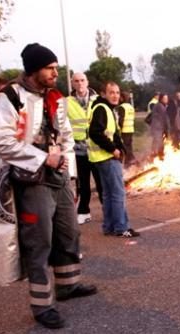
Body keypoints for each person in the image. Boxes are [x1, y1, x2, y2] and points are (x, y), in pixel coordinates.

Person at [0, 43, 97, 329]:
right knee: (40, 240)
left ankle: (68, 285)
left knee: (68, 231)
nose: (55, 73)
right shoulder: (9, 97)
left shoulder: (56, 97)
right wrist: (43, 158)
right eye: (50, 68)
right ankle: (42, 305)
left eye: (56, 68)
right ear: (35, 69)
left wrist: (70, 173)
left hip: (58, 175)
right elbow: (2, 142)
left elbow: (67, 137)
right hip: (31, 177)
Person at [88, 81, 140, 238]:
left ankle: (109, 226)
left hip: (101, 158)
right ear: (103, 94)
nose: (116, 95)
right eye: (111, 92)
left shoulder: (105, 109)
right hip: (107, 157)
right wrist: (113, 149)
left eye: (117, 92)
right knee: (118, 193)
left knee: (108, 194)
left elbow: (112, 133)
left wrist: (121, 149)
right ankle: (121, 227)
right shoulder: (102, 109)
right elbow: (95, 133)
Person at [67, 72, 102, 225]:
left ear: (87, 82)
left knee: (101, 182)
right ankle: (84, 211)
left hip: (97, 149)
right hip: (78, 150)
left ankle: (107, 210)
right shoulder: (66, 102)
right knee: (83, 183)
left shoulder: (98, 99)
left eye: (82, 80)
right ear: (72, 84)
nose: (80, 83)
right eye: (76, 81)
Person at [117, 91, 137, 167]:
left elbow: (121, 120)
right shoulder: (131, 107)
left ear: (122, 98)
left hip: (124, 130)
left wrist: (119, 129)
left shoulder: (122, 107)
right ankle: (130, 161)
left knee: (124, 147)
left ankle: (129, 161)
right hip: (131, 129)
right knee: (129, 146)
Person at [150, 93, 170, 159]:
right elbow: (164, 120)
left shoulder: (159, 105)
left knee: (157, 143)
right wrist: (166, 131)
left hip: (157, 128)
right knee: (159, 144)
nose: (166, 100)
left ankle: (156, 157)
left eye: (167, 98)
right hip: (158, 129)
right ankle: (158, 158)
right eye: (165, 98)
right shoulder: (160, 107)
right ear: (161, 99)